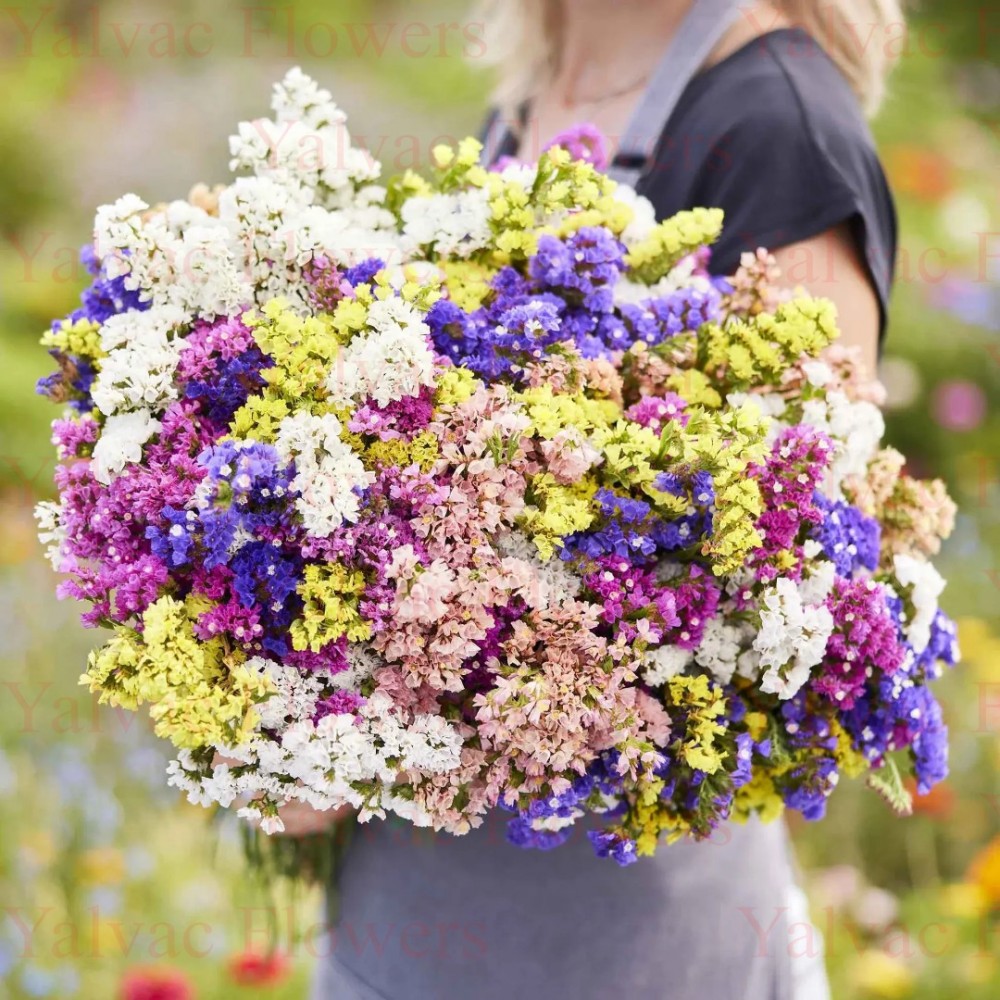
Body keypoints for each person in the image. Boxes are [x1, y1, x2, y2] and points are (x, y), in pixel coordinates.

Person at [304, 2, 900, 996]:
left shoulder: (780, 129)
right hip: (402, 932)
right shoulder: (539, 86)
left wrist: (375, 729)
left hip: (630, 952)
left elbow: (799, 586)